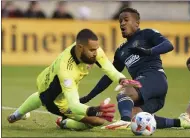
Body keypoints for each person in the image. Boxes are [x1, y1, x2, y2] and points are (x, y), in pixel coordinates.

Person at [77, 8, 190, 130]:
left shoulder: (146, 34)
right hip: (147, 91)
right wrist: (89, 97)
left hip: (155, 79)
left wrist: (149, 51)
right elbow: (110, 75)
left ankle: (123, 122)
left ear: (137, 23)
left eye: (126, 20)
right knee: (136, 119)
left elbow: (168, 45)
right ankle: (181, 122)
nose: (122, 23)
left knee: (125, 91)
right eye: (120, 21)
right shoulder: (121, 51)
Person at [7, 29, 141, 131]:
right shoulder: (66, 70)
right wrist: (95, 110)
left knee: (40, 98)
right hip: (53, 99)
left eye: (97, 48)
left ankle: (16, 115)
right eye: (92, 50)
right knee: (98, 121)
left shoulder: (92, 51)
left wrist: (121, 79)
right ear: (80, 47)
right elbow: (74, 106)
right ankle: (64, 122)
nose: (96, 52)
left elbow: (108, 68)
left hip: (50, 80)